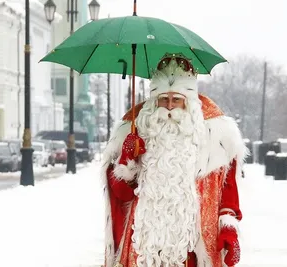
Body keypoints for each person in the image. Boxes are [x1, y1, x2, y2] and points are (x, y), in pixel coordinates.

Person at [101, 53, 247, 267]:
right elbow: (121, 194)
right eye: (163, 99)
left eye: (176, 99)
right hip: (143, 249)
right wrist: (127, 159)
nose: (169, 106)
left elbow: (228, 190)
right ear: (154, 100)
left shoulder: (215, 135)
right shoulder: (135, 130)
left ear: (188, 102)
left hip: (192, 251)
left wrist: (229, 230)